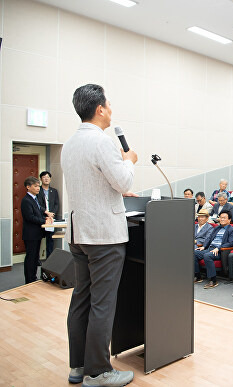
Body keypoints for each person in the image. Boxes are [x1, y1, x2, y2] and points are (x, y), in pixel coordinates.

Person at [61, 84, 137, 386]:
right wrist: (129, 159)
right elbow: (121, 180)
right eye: (109, 103)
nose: (111, 109)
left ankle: (78, 367)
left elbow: (93, 183)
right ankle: (99, 372)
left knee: (81, 299)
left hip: (80, 232)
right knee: (103, 303)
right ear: (99, 109)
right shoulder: (102, 143)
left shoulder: (70, 143)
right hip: (104, 235)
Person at [194, 211, 233, 288]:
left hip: (220, 251)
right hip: (210, 248)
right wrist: (204, 246)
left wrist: (218, 248)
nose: (222, 219)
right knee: (194, 253)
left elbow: (230, 243)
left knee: (207, 256)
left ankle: (213, 280)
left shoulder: (232, 230)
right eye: (220, 217)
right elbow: (209, 238)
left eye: (224, 218)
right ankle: (197, 276)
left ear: (229, 219)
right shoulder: (217, 228)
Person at [21, 176, 51, 283]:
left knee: (35, 258)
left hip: (37, 233)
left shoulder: (35, 198)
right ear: (28, 187)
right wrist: (44, 221)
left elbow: (37, 214)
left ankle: (33, 278)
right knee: (31, 258)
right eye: (35, 186)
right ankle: (29, 280)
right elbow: (30, 217)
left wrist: (45, 218)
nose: (38, 188)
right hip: (30, 234)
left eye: (38, 186)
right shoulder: (26, 200)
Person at [39, 170, 60, 258]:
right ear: (41, 179)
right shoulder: (38, 190)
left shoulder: (54, 191)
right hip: (41, 218)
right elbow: (38, 204)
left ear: (50, 179)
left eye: (48, 177)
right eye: (44, 177)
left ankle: (49, 259)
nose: (46, 179)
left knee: (50, 240)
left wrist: (52, 213)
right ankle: (37, 259)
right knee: (38, 240)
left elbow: (56, 204)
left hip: (51, 219)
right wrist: (46, 212)